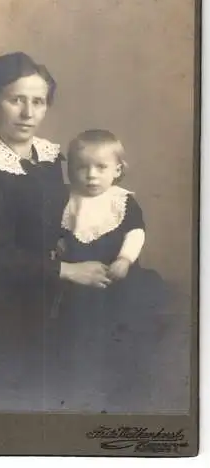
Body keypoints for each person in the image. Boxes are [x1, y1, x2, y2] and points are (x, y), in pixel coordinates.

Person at [0, 53, 110, 411]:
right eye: (16, 100)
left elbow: (45, 221)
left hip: (42, 294)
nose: (28, 113)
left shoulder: (47, 156)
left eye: (38, 102)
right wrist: (69, 271)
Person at [54, 129, 177, 412]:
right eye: (81, 167)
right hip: (78, 285)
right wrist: (59, 246)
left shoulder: (121, 201)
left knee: (122, 335)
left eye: (101, 167)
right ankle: (80, 392)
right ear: (70, 169)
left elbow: (136, 233)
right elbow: (56, 233)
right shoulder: (65, 201)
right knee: (77, 337)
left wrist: (124, 260)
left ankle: (122, 392)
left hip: (117, 281)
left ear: (117, 169)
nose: (91, 175)